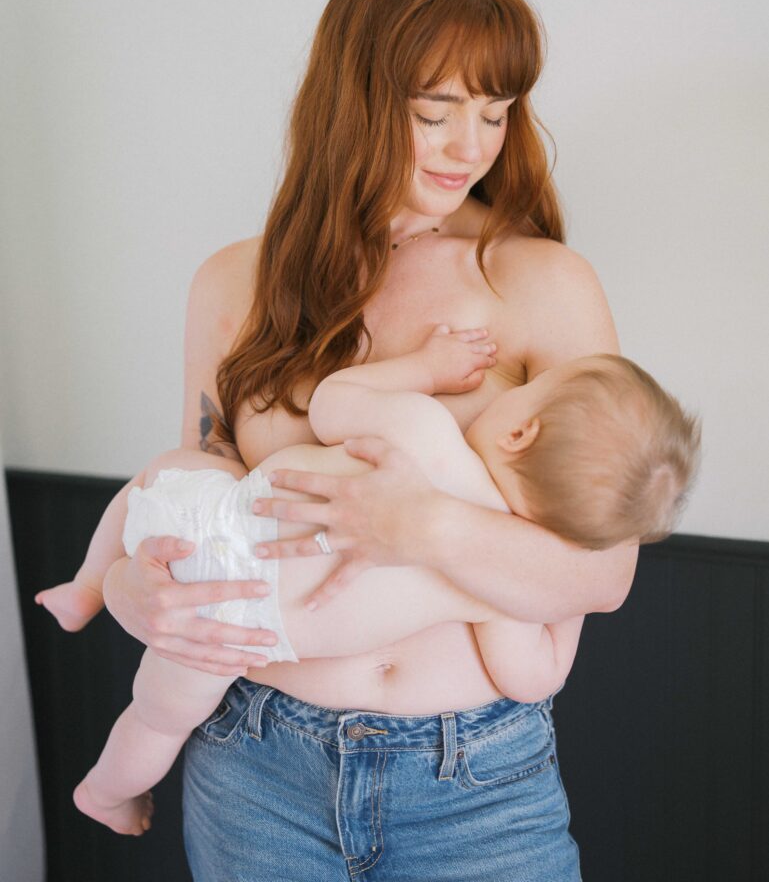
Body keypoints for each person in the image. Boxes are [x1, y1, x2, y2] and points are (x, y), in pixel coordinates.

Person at [92, 0, 652, 879]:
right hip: (253, 764)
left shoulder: (542, 283)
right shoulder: (234, 283)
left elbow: (602, 575)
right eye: (436, 112)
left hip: (473, 781)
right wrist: (126, 589)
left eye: (495, 112)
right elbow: (194, 494)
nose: (471, 146)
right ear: (353, 99)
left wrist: (419, 526)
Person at [37, 327, 699, 837]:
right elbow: (534, 677)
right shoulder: (495, 584)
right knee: (158, 720)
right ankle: (106, 793)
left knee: (166, 471)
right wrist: (565, 586)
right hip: (240, 625)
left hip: (212, 519)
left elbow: (333, 403)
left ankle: (87, 585)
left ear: (521, 429)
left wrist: (427, 368)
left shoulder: (426, 432)